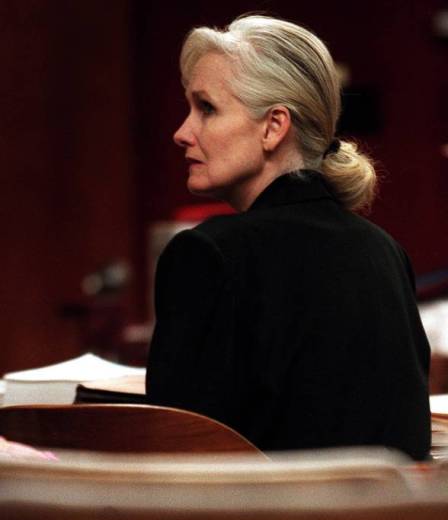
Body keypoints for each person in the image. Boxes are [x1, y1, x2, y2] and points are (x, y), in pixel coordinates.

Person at [146, 14, 431, 460]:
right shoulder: (386, 251)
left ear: (274, 126)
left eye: (207, 108)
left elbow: (174, 454)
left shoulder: (207, 254)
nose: (182, 133)